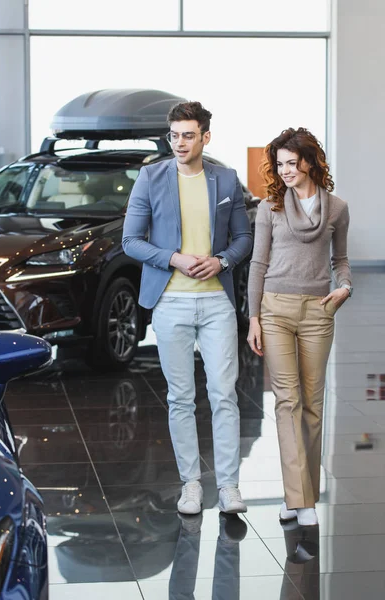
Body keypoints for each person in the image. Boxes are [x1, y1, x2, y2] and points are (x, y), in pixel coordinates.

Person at [122, 101, 253, 514]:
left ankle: (229, 486)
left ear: (205, 137)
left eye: (188, 135)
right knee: (180, 398)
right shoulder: (150, 177)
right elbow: (131, 240)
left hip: (216, 301)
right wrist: (174, 258)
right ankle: (191, 484)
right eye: (174, 135)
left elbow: (243, 239)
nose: (179, 143)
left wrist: (222, 260)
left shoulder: (226, 179)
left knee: (224, 395)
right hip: (171, 302)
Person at [247, 127, 352, 527]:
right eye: (280, 164)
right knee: (286, 401)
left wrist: (345, 288)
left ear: (309, 162)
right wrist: (254, 317)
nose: (286, 171)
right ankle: (300, 498)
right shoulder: (269, 208)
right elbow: (258, 264)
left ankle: (299, 495)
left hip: (319, 311)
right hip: (275, 310)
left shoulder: (338, 209)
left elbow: (340, 260)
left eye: (292, 163)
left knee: (313, 404)